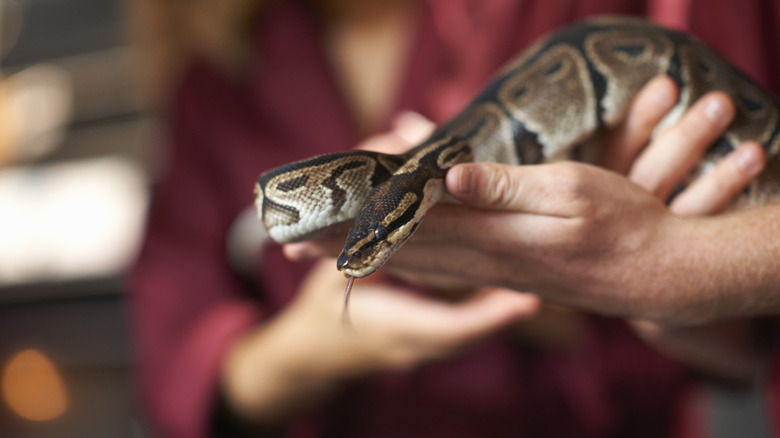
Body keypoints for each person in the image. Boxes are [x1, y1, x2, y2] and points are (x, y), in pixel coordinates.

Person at [129, 1, 780, 437]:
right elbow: (173, 367)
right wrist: (305, 351)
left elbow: (736, 344)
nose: (370, 247)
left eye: (380, 232)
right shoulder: (215, 84)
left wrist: (625, 278)